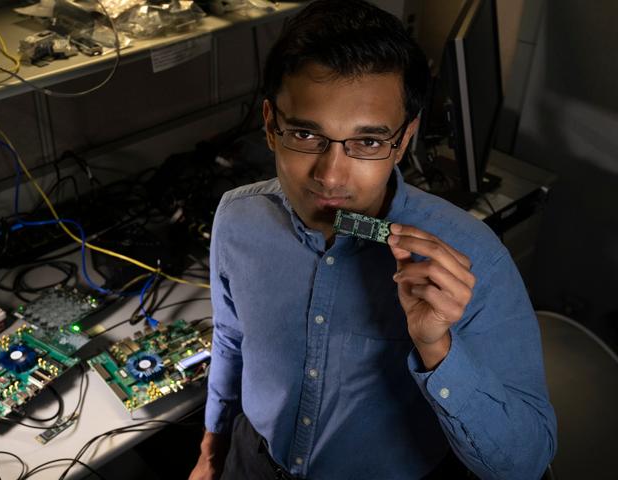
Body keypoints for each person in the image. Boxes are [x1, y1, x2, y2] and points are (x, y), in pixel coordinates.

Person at [189, 1, 557, 478]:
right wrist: (211, 448)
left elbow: (526, 464)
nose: (331, 176)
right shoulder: (238, 218)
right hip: (253, 460)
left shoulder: (476, 256)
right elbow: (231, 340)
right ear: (270, 125)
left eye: (368, 142)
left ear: (404, 141)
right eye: (305, 133)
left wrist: (437, 348)